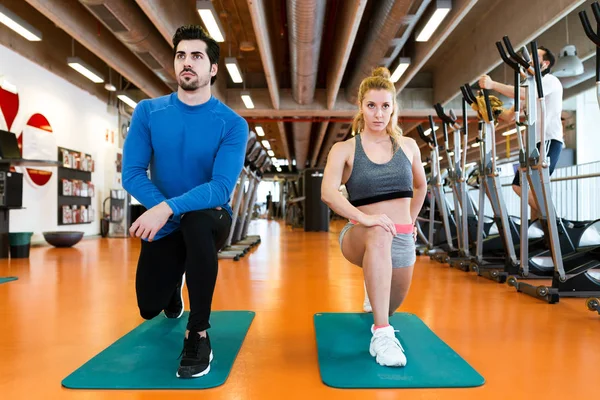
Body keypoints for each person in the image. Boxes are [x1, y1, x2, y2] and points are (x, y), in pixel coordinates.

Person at [122, 25, 248, 379]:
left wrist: (166, 209)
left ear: (212, 69)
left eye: (197, 56)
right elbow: (131, 174)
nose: (187, 63)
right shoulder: (148, 112)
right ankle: (174, 287)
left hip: (210, 217)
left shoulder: (232, 124)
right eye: (181, 55)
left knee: (196, 223)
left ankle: (198, 335)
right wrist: (166, 210)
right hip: (168, 221)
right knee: (149, 306)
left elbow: (221, 187)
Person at [321, 67, 427, 367]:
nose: (378, 113)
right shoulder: (344, 149)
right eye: (371, 106)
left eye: (385, 106)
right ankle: (381, 336)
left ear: (393, 108)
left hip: (401, 236)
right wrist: (364, 219)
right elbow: (328, 192)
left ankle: (377, 299)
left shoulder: (407, 146)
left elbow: (421, 186)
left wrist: (410, 221)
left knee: (389, 305)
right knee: (379, 233)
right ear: (361, 107)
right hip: (360, 235)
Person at [479, 46, 563, 220]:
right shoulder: (532, 88)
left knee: (519, 185)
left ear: (545, 64)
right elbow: (509, 116)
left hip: (548, 140)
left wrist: (493, 85)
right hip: (534, 143)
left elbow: (524, 94)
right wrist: (486, 106)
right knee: (533, 187)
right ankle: (542, 230)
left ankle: (554, 221)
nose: (528, 61)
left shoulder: (549, 81)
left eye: (533, 58)